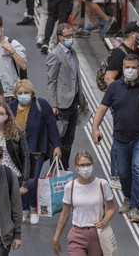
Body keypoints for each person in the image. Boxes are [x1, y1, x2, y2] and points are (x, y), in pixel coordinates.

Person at [92, 54, 139, 224]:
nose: (130, 70)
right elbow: (102, 109)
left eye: (133, 67)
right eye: (127, 67)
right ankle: (127, 197)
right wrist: (95, 129)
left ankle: (135, 207)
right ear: (123, 69)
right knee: (123, 172)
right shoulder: (113, 89)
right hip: (120, 138)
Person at [102, 21, 139, 189]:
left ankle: (128, 171)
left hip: (138, 104)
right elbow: (109, 78)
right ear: (132, 34)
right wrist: (118, 97)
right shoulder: (119, 54)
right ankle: (115, 174)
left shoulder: (138, 52)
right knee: (119, 138)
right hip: (122, 104)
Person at [8, 79, 61, 225]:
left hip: (35, 150)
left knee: (31, 182)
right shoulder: (11, 107)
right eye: (20, 93)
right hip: (17, 153)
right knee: (20, 182)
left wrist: (57, 146)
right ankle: (24, 210)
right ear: (15, 94)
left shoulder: (41, 105)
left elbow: (52, 126)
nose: (23, 95)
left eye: (26, 93)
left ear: (32, 93)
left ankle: (33, 208)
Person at [52, 151, 116, 255]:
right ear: (76, 167)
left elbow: (112, 208)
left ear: (92, 164)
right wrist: (56, 237)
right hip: (77, 235)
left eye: (88, 164)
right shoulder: (70, 187)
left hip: (97, 234)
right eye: (82, 165)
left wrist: (104, 221)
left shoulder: (102, 184)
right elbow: (65, 214)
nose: (85, 168)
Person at [46, 23, 85, 169]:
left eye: (72, 35)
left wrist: (81, 97)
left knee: (69, 140)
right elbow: (51, 81)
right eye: (68, 36)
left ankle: (64, 169)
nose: (71, 38)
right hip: (62, 104)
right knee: (59, 141)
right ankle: (56, 170)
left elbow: (76, 77)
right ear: (60, 38)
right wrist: (53, 104)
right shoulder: (55, 55)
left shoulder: (72, 53)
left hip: (73, 103)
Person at [0, 13, 28, 103]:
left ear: (2, 27)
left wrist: (11, 50)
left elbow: (24, 65)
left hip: (12, 95)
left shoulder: (13, 44)